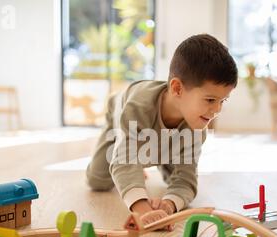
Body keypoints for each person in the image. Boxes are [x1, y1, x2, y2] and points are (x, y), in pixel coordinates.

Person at [86, 34, 238, 226]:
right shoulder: (138, 107)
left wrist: (168, 206)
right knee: (98, 181)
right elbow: (123, 161)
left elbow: (186, 178)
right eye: (210, 100)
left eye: (222, 101)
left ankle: (142, 165)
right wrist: (143, 210)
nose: (217, 110)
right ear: (177, 89)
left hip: (159, 139)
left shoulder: (198, 126)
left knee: (169, 177)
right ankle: (137, 165)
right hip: (121, 114)